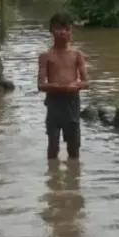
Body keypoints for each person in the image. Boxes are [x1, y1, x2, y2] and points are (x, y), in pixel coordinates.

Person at [37, 12, 89, 160]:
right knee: (53, 144)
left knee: (74, 146)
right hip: (54, 102)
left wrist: (75, 85)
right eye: (58, 28)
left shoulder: (77, 55)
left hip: (72, 101)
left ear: (71, 30)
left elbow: (86, 82)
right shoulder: (46, 56)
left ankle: (73, 176)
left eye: (66, 29)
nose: (62, 32)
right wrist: (56, 87)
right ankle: (52, 174)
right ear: (51, 30)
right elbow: (41, 84)